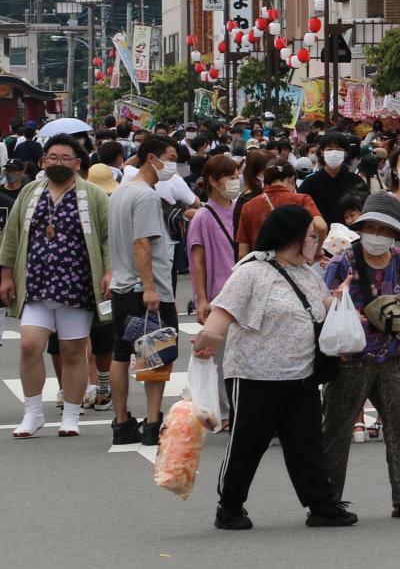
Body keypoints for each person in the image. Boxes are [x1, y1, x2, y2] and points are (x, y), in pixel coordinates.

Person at [191, 204, 358, 531]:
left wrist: (343, 301)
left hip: (301, 374)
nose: (315, 242)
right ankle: (230, 506)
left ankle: (322, 505)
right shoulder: (251, 271)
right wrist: (207, 341)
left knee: (307, 443)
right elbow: (223, 312)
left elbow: (324, 310)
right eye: (312, 236)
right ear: (292, 238)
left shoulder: (309, 273)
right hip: (254, 375)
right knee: (247, 444)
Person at [320, 193, 400, 512]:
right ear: (363, 226)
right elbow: (323, 300)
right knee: (336, 430)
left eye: (385, 230)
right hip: (349, 356)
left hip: (391, 353)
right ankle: (326, 500)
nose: (378, 236)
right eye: (373, 228)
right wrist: (339, 303)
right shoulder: (345, 260)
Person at [1, 136, 110, 439]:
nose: (58, 162)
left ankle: (72, 415)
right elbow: (11, 236)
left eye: (65, 158)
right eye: (53, 157)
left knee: (73, 351)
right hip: (35, 281)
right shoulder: (30, 192)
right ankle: (33, 412)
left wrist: (110, 271)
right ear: (43, 161)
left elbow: (107, 238)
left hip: (76, 284)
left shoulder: (94, 195)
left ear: (77, 162)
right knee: (29, 345)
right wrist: (6, 275)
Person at [106, 134, 176, 446]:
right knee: (156, 355)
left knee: (121, 354)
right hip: (147, 289)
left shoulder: (121, 192)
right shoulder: (146, 196)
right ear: (153, 158)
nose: (173, 165)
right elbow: (142, 242)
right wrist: (150, 288)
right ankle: (152, 422)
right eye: (170, 156)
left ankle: (121, 422)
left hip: (122, 287)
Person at [186, 154, 242, 425]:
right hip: (219, 296)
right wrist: (201, 300)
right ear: (212, 181)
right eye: (229, 177)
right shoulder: (203, 217)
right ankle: (226, 411)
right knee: (219, 358)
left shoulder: (241, 209)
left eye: (236, 175)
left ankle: (238, 407)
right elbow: (197, 262)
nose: (235, 181)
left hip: (244, 291)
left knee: (240, 354)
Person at [236, 154, 322, 259]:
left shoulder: (248, 206)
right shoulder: (302, 200)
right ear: (291, 180)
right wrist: (317, 251)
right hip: (294, 265)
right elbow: (321, 226)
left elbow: (242, 253)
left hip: (261, 266)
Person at [298, 133, 367, 224]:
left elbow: (364, 210)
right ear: (322, 152)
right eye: (329, 149)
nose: (334, 153)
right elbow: (301, 211)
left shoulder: (356, 181)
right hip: (320, 235)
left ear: (345, 153)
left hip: (350, 234)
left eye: (338, 149)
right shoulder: (310, 182)